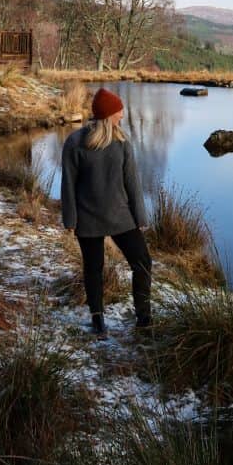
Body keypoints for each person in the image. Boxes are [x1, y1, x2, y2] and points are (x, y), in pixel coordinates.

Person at [61, 86, 152, 338]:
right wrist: (139, 217)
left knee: (96, 268)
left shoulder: (79, 141)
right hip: (116, 218)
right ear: (109, 115)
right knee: (138, 263)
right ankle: (140, 318)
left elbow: (68, 184)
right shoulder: (112, 142)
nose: (122, 116)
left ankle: (114, 319)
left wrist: (70, 219)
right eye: (119, 112)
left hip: (97, 218)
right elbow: (132, 184)